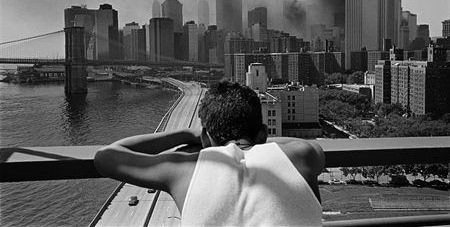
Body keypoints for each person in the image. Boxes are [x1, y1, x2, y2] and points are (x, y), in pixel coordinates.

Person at [95, 81, 324, 226]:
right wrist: (258, 141)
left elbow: (105, 156)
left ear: (205, 138)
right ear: (263, 135)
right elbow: (306, 144)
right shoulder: (302, 155)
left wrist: (186, 134)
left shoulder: (182, 169)